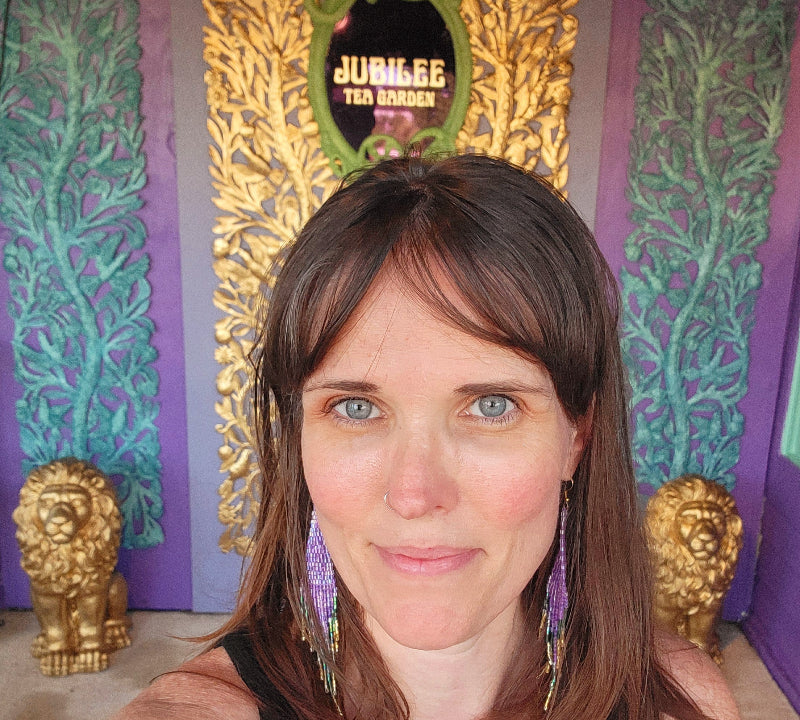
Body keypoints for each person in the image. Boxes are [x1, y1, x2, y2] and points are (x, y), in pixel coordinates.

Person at [113, 154, 739, 720]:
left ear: (577, 435)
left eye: (491, 406)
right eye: (355, 407)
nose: (415, 493)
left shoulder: (684, 703)